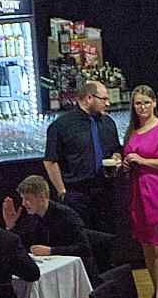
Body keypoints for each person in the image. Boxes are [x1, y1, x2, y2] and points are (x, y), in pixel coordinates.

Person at [121, 85, 158, 294]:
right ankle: (157, 291)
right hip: (138, 191)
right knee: (146, 244)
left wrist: (143, 160)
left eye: (146, 102)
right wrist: (126, 163)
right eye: (138, 103)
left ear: (154, 103)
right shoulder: (132, 131)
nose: (142, 107)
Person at [42, 80, 123, 236]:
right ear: (89, 98)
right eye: (104, 99)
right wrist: (62, 192)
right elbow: (50, 161)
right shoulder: (61, 125)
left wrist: (116, 157)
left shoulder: (108, 122)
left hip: (105, 191)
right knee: (81, 238)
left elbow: (116, 149)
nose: (108, 103)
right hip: (77, 193)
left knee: (108, 237)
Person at [5, 174, 87, 264]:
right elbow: (23, 243)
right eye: (23, 199)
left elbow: (83, 248)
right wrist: (11, 226)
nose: (23, 204)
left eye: (27, 199)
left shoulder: (66, 216)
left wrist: (51, 251)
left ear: (42, 197)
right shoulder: (31, 218)